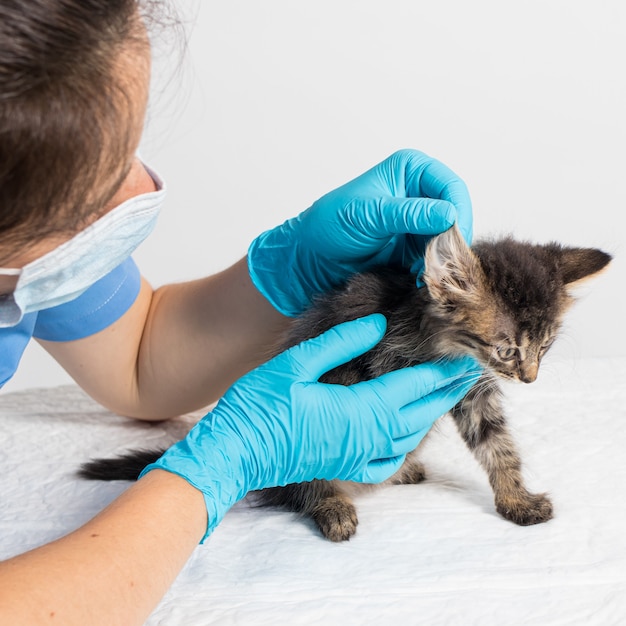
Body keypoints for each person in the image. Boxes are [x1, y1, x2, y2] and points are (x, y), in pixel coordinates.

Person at [0, 1, 479, 624]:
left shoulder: (26, 257)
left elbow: (136, 360)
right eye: (101, 179)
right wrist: (217, 469)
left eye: (128, 149)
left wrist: (291, 270)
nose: (142, 188)